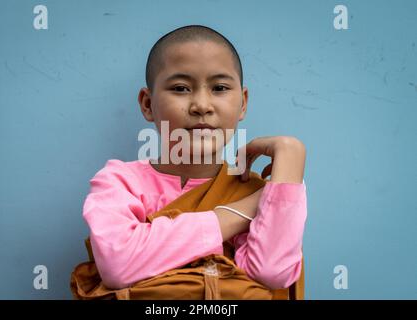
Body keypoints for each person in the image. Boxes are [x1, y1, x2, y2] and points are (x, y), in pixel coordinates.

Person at [82, 25, 307, 292]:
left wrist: (291, 155)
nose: (201, 105)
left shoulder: (252, 188)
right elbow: (119, 265)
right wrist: (252, 207)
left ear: (243, 103)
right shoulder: (120, 183)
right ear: (147, 104)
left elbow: (272, 273)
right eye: (180, 88)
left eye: (220, 87)